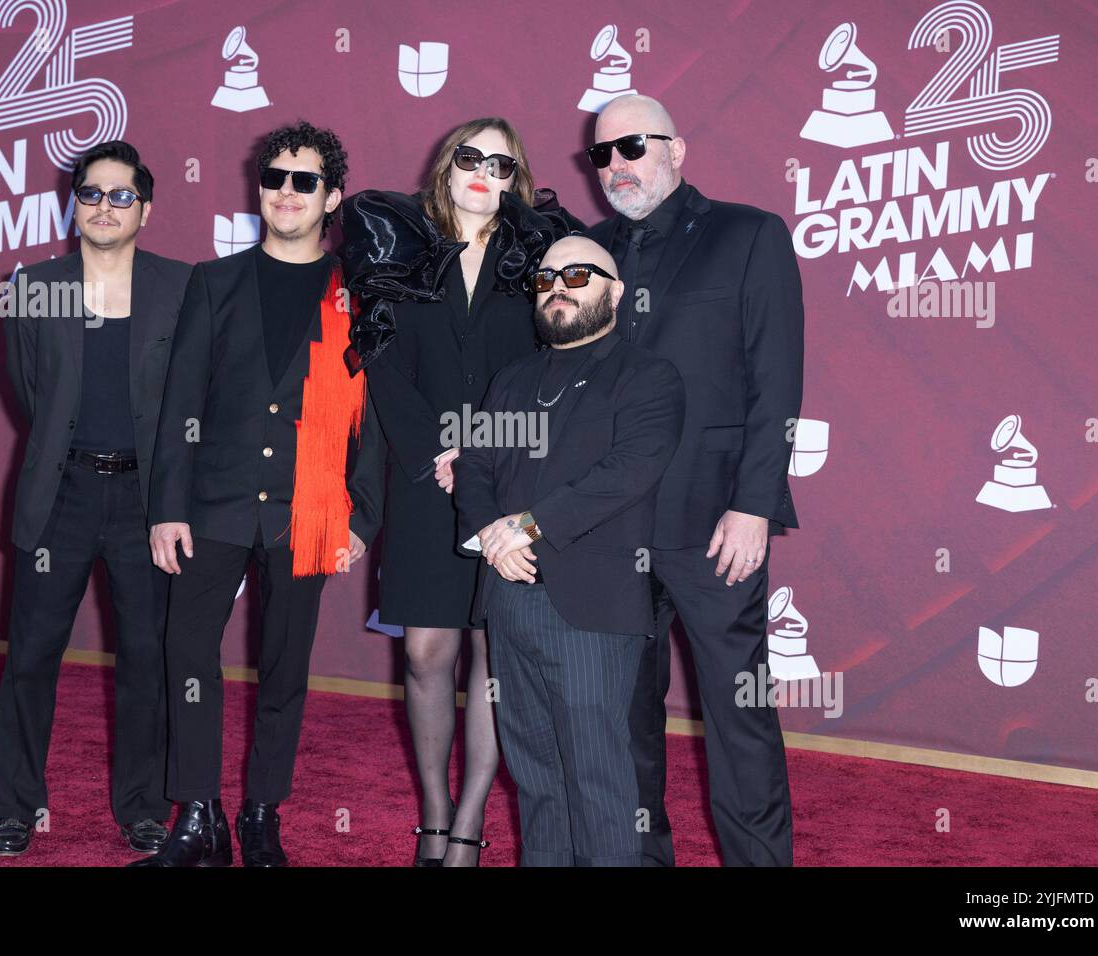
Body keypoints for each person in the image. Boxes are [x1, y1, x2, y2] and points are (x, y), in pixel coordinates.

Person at [130, 121, 384, 868]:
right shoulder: (215, 281)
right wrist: (168, 506)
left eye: (304, 181)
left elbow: (379, 418)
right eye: (274, 177)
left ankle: (262, 815)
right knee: (186, 651)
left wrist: (360, 515)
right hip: (213, 502)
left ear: (331, 196)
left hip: (308, 509)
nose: (286, 192)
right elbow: (182, 402)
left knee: (284, 667)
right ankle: (198, 816)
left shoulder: (359, 294)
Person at [339, 118, 580, 866]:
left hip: (506, 480)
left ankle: (470, 821)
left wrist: (484, 448)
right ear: (447, 168)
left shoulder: (536, 262)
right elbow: (378, 361)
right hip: (422, 479)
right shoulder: (398, 252)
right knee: (425, 653)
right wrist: (438, 447)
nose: (483, 173)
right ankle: (434, 812)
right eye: (470, 158)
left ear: (516, 181)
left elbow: (554, 367)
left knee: (491, 656)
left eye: (501, 165)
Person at [584, 95, 804, 866]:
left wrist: (752, 505)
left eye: (633, 146)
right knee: (622, 718)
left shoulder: (749, 235)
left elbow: (776, 384)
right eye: (602, 154)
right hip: (608, 530)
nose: (616, 165)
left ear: (678, 149)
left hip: (714, 524)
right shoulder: (585, 249)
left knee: (738, 715)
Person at [0, 141, 191, 857]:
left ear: (147, 210)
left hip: (148, 500)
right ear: (74, 204)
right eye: (91, 193)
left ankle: (140, 805)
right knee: (32, 657)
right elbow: (31, 392)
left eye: (121, 195)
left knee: (145, 657)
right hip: (61, 494)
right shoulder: (32, 285)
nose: (104, 206)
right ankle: (16, 806)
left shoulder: (182, 287)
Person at [453, 235, 684, 866]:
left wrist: (524, 526)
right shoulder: (514, 378)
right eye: (547, 275)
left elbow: (628, 471)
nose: (558, 284)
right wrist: (492, 538)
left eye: (578, 274)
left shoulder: (648, 376)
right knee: (533, 780)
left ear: (616, 292)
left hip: (593, 609)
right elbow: (474, 466)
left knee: (599, 782)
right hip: (508, 595)